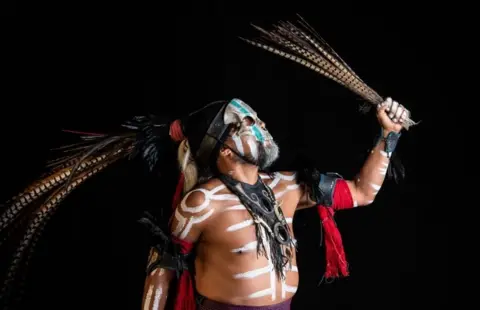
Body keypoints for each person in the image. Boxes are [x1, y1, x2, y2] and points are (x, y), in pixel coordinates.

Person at [139, 97, 408, 310]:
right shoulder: (202, 203)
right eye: (247, 123)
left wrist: (389, 135)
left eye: (257, 118)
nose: (262, 125)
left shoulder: (288, 186)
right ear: (224, 149)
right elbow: (162, 267)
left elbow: (361, 193)